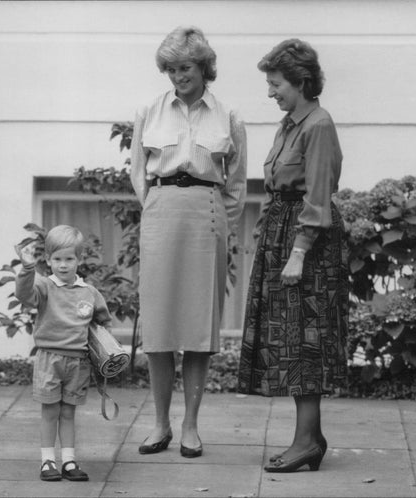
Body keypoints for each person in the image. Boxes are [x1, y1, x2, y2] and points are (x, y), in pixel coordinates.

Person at [130, 26, 247, 459]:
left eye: (186, 68)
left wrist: (218, 221)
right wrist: (157, 206)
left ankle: (191, 426)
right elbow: (137, 173)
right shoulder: (149, 110)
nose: (178, 76)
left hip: (207, 215)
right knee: (159, 325)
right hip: (161, 212)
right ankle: (159, 423)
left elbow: (236, 183)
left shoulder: (228, 116)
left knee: (199, 326)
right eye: (172, 68)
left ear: (204, 68)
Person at [237, 39, 348, 473]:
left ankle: (305, 442)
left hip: (310, 240)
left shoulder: (318, 124)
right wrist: (266, 237)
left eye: (275, 83)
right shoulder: (290, 123)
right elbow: (275, 187)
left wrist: (298, 252)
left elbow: (317, 198)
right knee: (291, 341)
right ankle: (311, 437)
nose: (270, 92)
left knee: (307, 341)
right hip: (284, 231)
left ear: (299, 81)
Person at [14, 225, 112, 482]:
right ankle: (48, 461)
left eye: (69, 259)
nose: (64, 265)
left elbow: (102, 322)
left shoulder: (89, 293)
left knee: (68, 412)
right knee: (50, 411)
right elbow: (24, 295)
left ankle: (68, 460)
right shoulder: (45, 287)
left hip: (78, 363)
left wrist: (107, 351)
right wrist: (26, 269)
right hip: (49, 359)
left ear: (79, 259)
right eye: (57, 259)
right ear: (47, 260)